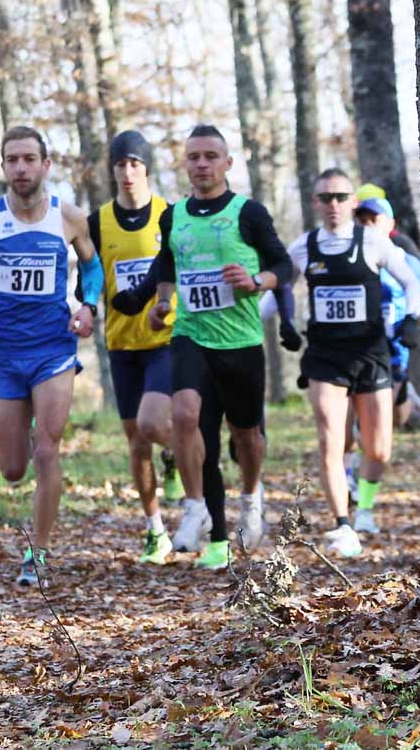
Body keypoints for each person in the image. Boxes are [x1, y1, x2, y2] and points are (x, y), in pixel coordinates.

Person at [149, 124, 292, 568]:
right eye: (194, 157)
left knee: (247, 435)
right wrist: (163, 302)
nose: (202, 164)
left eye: (211, 156)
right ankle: (196, 510)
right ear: (185, 163)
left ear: (228, 163)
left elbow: (284, 265)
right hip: (192, 334)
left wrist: (255, 283)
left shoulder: (248, 212)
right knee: (185, 415)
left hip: (242, 341)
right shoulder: (173, 215)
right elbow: (168, 263)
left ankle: (251, 495)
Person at [0, 126, 102, 586]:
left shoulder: (69, 217)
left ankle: (37, 554)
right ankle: (18, 434)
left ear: (45, 165)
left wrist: (88, 304)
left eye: (29, 159)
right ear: (3, 167)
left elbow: (93, 266)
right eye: (12, 160)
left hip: (53, 349)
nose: (20, 168)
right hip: (4, 353)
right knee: (12, 468)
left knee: (46, 449)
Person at [287, 169, 420, 557]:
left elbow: (411, 281)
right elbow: (278, 285)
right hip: (325, 357)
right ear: (315, 202)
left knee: (378, 449)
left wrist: (411, 318)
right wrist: (280, 322)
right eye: (325, 198)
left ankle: (364, 507)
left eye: (340, 197)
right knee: (332, 440)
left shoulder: (373, 242)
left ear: (352, 203)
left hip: (370, 353)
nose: (333, 205)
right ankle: (342, 525)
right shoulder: (305, 245)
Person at [85, 130, 181, 565]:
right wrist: (84, 306)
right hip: (121, 343)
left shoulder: (169, 214)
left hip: (165, 338)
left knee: (152, 424)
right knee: (135, 442)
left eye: (135, 164)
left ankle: (179, 452)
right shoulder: (96, 221)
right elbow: (88, 275)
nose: (127, 173)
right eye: (120, 164)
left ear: (147, 168)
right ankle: (155, 529)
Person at [348, 196, 420, 532]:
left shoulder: (407, 262)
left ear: (389, 223)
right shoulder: (349, 255)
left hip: (394, 356)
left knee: (386, 432)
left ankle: (360, 476)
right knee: (346, 428)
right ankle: (355, 498)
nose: (367, 225)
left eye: (374, 219)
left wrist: (414, 322)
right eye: (361, 219)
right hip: (353, 355)